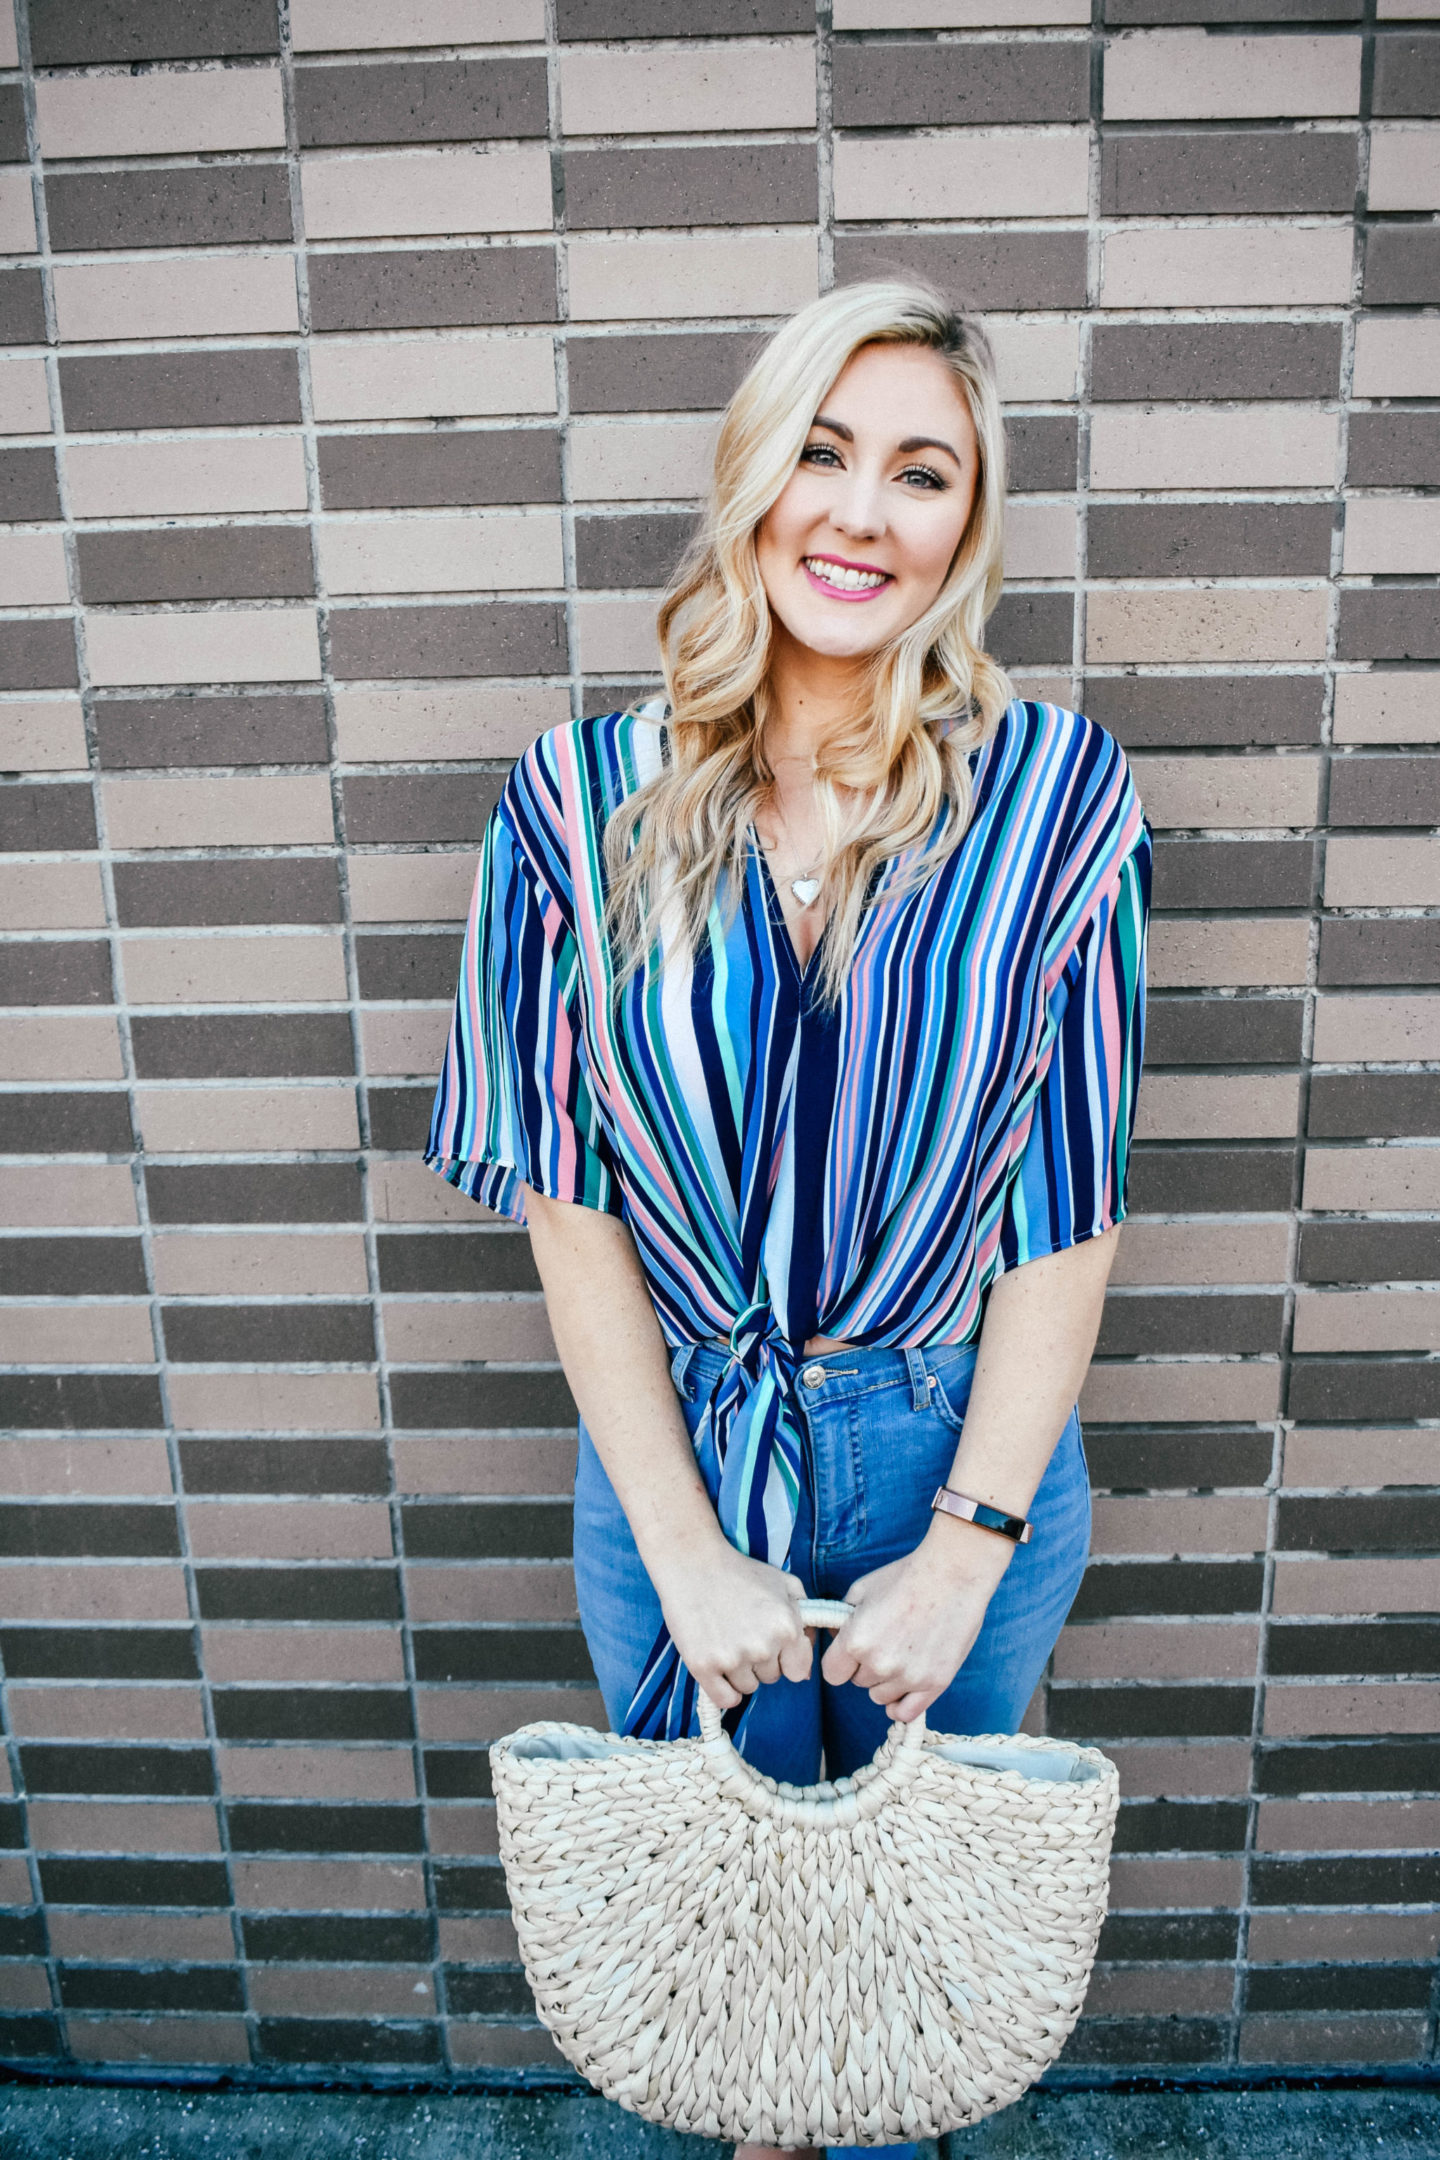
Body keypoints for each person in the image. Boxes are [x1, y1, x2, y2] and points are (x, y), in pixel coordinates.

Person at [426, 279, 1151, 2160]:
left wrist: (970, 1548)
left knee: (898, 1977)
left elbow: (1063, 1215)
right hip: (679, 1454)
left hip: (955, 1449)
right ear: (754, 477)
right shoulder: (573, 806)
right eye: (823, 452)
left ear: (965, 527)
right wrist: (683, 1551)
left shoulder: (1056, 797)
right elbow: (566, 1204)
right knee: (742, 1988)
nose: (862, 511)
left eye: (923, 473)